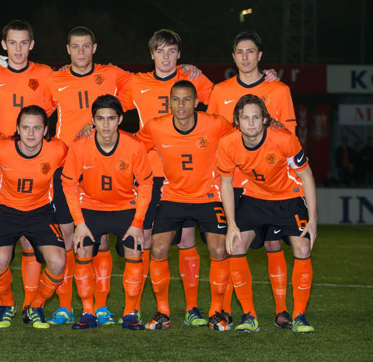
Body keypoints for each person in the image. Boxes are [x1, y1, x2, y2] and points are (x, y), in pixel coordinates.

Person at [118, 29, 214, 323]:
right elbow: (109, 107)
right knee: (145, 240)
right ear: (151, 55)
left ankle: (192, 308)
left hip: (185, 174)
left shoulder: (193, 79)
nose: (166, 57)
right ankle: (139, 307)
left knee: (186, 239)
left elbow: (226, 98)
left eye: (171, 51)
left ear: (179, 55)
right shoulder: (137, 82)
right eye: (160, 51)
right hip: (148, 172)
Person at [43, 26, 134, 325]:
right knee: (70, 238)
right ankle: (66, 306)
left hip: (102, 166)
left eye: (86, 46)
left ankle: (101, 306)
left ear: (95, 47)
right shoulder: (53, 79)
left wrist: (188, 70)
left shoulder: (112, 74)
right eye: (75, 46)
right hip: (65, 166)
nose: (80, 52)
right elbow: (31, 108)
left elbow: (150, 85)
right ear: (67, 49)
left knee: (102, 240)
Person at [207, 31, 296, 329]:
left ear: (260, 55)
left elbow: (290, 139)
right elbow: (212, 135)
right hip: (233, 184)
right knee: (231, 245)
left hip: (268, 184)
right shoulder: (220, 91)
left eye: (251, 51)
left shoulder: (279, 90)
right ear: (233, 57)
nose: (245, 57)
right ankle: (231, 311)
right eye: (239, 52)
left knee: (273, 246)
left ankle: (282, 311)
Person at [136, 80, 234, 330]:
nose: (181, 105)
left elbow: (242, 133)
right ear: (170, 102)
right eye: (176, 99)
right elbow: (133, 146)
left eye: (187, 99)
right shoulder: (156, 127)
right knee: (157, 249)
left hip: (208, 197)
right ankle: (163, 312)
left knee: (219, 250)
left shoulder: (215, 124)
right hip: (173, 197)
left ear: (197, 102)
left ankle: (215, 311)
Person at [218, 94, 317, 333]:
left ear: (264, 120)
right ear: (237, 121)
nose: (250, 123)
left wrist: (313, 219)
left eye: (256, 117)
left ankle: (300, 316)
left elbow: (306, 176)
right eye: (245, 118)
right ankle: (249, 315)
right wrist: (231, 223)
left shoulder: (284, 140)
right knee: (236, 244)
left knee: (302, 248)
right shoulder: (228, 143)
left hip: (289, 198)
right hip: (255, 198)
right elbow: (225, 184)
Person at [0, 20, 55, 323]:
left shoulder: (45, 74)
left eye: (24, 42)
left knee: (28, 241)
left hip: (34, 162)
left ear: (32, 44)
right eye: (13, 43)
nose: (19, 49)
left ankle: (30, 304)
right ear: (3, 46)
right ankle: (2, 302)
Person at [62, 95, 153, 330]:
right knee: (81, 248)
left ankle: (130, 313)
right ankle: (88, 312)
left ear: (120, 119)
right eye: (100, 119)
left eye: (111, 119)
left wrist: (137, 223)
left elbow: (145, 185)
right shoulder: (79, 146)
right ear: (92, 120)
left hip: (126, 207)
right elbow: (69, 185)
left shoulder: (134, 147)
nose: (105, 125)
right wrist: (79, 223)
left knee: (135, 251)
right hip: (91, 207)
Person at [0, 105, 68, 329]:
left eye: (36, 128)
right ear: (17, 129)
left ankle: (36, 306)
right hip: (6, 210)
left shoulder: (58, 150)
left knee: (58, 262)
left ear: (45, 130)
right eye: (25, 127)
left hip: (41, 211)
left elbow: (78, 159)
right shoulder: (0, 149)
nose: (31, 133)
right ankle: (6, 305)